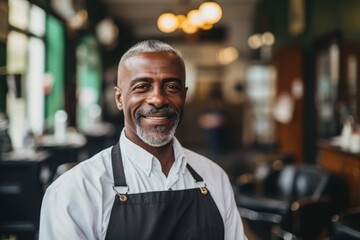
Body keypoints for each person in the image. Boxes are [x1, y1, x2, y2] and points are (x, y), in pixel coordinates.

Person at [39, 40, 247, 240]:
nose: (158, 99)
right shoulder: (76, 190)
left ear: (183, 96)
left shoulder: (214, 177)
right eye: (142, 87)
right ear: (120, 98)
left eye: (171, 87)